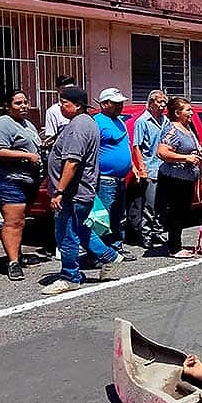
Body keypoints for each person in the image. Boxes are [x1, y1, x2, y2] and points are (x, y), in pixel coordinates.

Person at [43, 86, 123, 295]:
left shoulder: (79, 126)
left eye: (64, 103)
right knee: (81, 229)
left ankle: (70, 276)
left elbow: (72, 162)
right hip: (80, 191)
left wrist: (59, 191)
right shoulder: (85, 122)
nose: (60, 107)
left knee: (66, 234)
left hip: (73, 193)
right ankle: (110, 257)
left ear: (77, 105)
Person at [0, 90, 43, 281]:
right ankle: (13, 262)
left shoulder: (26, 123)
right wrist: (27, 155)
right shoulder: (2, 124)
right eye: (18, 103)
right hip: (8, 180)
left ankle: (17, 254)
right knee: (14, 221)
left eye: (25, 102)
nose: (24, 106)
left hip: (28, 180)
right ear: (7, 106)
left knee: (20, 221)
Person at [155, 96, 202, 259]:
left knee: (182, 212)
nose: (192, 112)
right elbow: (162, 152)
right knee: (176, 212)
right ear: (177, 113)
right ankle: (174, 248)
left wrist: (197, 152)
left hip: (186, 178)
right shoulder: (172, 129)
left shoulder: (187, 128)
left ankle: (175, 243)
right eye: (188, 110)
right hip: (174, 179)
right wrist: (186, 158)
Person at [94, 87, 135, 260]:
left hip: (120, 179)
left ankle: (116, 246)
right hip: (105, 179)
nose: (120, 107)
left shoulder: (120, 122)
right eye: (116, 103)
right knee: (102, 217)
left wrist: (132, 165)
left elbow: (124, 146)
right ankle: (99, 251)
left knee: (119, 215)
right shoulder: (96, 122)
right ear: (104, 104)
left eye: (121, 103)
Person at [127, 90, 169, 248]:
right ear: (151, 103)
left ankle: (157, 231)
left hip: (164, 169)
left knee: (162, 204)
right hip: (150, 168)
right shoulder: (142, 121)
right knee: (149, 205)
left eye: (164, 102)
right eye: (159, 102)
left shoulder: (165, 121)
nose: (162, 106)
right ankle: (145, 234)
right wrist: (142, 168)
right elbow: (136, 146)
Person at [43, 75, 76, 142]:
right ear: (57, 90)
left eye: (71, 88)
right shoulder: (53, 111)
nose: (69, 92)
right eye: (65, 89)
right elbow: (51, 136)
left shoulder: (80, 107)